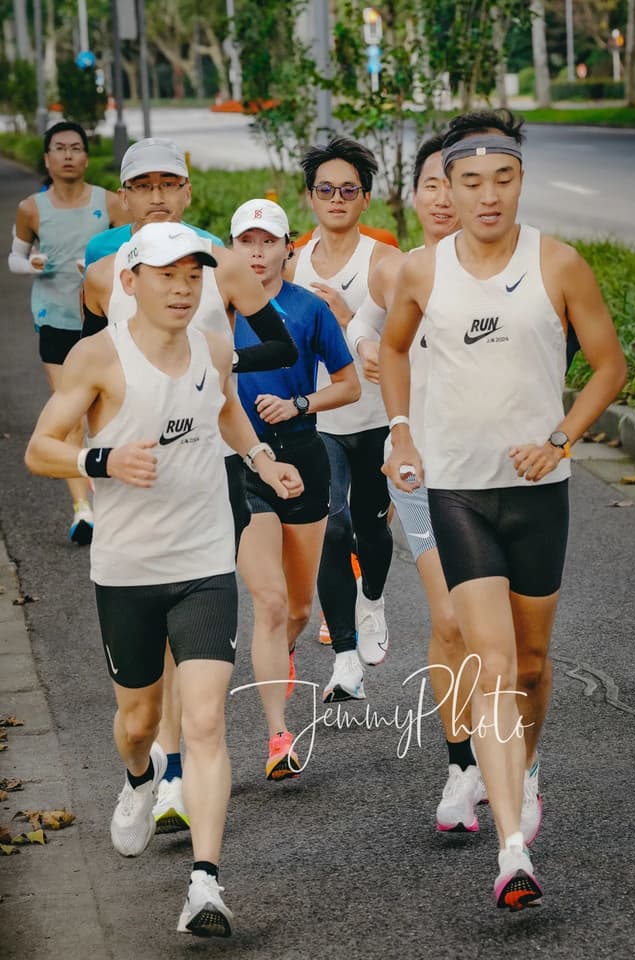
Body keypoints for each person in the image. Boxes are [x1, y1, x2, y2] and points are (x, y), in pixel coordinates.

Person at [24, 222, 304, 937]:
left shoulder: (214, 349)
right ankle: (140, 779)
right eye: (167, 275)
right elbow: (40, 448)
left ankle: (205, 884)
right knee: (139, 720)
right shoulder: (98, 357)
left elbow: (230, 417)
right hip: (126, 570)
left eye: (193, 276)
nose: (183, 288)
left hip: (205, 559)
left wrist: (264, 460)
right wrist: (103, 462)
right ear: (131, 283)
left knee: (207, 718)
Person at [379, 109, 626, 910]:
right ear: (445, 187)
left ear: (521, 181)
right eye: (471, 181)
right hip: (456, 488)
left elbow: (609, 368)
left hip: (538, 496)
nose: (488, 196)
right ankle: (513, 850)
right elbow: (391, 349)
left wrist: (559, 440)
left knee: (528, 665)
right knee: (489, 663)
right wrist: (403, 431)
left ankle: (525, 764)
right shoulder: (423, 271)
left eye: (504, 179)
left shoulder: (559, 264)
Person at [81, 139, 299, 832]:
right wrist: (99, 455)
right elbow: (90, 369)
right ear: (122, 198)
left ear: (188, 190)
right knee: (153, 669)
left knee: (198, 632)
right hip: (136, 482)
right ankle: (160, 771)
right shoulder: (99, 274)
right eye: (140, 186)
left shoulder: (224, 262)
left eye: (168, 184)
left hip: (211, 458)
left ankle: (182, 777)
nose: (155, 197)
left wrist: (217, 366)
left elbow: (282, 344)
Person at [347, 134, 489, 834]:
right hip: (420, 469)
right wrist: (368, 347)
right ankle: (462, 762)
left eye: (449, 183)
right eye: (429, 184)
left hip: (493, 474)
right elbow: (359, 327)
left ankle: (511, 755)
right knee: (451, 619)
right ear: (418, 194)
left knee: (507, 635)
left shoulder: (497, 270)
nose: (440, 196)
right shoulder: (402, 270)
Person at [231, 198, 360, 778]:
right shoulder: (216, 308)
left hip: (304, 456)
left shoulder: (309, 309)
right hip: (239, 464)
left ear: (288, 247)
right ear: (234, 249)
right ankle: (278, 737)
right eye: (246, 242)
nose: (257, 253)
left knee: (300, 607)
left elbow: (350, 385)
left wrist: (298, 403)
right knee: (271, 601)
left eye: (268, 242)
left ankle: (281, 652)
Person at [286, 135, 402, 701]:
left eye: (348, 190)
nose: (336, 198)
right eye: (325, 189)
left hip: (377, 417)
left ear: (365, 198)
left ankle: (373, 601)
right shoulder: (292, 262)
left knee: (370, 526)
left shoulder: (383, 260)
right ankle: (345, 658)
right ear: (310, 196)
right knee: (331, 528)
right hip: (320, 419)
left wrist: (349, 315)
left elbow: (406, 333)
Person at [9, 121, 127, 544]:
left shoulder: (111, 203)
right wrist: (34, 264)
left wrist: (99, 268)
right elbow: (15, 260)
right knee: (72, 414)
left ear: (85, 156)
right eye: (59, 149)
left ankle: (113, 491)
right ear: (48, 158)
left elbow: (130, 253)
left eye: (76, 148)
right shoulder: (31, 209)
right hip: (55, 321)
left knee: (108, 410)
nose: (68, 156)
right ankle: (84, 511)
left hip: (102, 322)